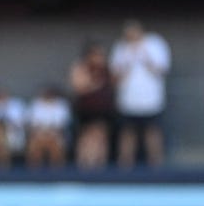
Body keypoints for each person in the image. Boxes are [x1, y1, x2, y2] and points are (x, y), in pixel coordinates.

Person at [110, 19, 171, 168]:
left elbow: (162, 69)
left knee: (152, 132)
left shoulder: (155, 43)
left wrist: (144, 56)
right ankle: (125, 165)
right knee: (127, 133)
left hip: (151, 100)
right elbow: (115, 75)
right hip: (128, 100)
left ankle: (156, 165)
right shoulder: (121, 47)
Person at [69, 41, 116, 170]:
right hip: (87, 108)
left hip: (103, 108)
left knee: (102, 136)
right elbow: (78, 86)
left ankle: (99, 166)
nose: (99, 57)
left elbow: (114, 83)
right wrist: (95, 83)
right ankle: (84, 165)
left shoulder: (106, 69)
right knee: (87, 137)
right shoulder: (81, 67)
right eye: (96, 55)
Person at [25, 84, 70, 168]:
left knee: (56, 143)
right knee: (34, 144)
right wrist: (41, 133)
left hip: (56, 134)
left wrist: (50, 133)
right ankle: (34, 172)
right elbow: (31, 124)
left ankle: (57, 172)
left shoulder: (61, 105)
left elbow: (62, 124)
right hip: (38, 134)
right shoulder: (35, 104)